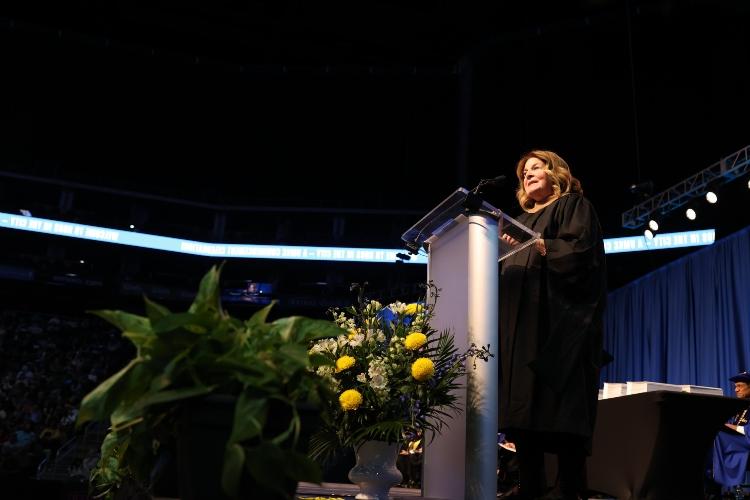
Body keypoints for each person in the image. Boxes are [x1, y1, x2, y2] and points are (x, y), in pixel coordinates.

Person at [498, 150, 608, 500]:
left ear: (555, 172)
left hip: (557, 332)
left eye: (535, 168)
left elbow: (581, 254)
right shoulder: (516, 224)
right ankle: (531, 489)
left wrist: (544, 245)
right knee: (524, 424)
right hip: (520, 333)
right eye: (523, 172)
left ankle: (569, 493)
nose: (527, 175)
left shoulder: (572, 206)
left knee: (562, 421)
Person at [711, 371, 750, 496]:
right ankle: (712, 483)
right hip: (737, 442)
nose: (736, 390)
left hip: (746, 445)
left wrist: (729, 427)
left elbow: (745, 430)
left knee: (718, 434)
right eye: (735, 387)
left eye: (740, 386)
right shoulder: (740, 407)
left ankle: (719, 482)